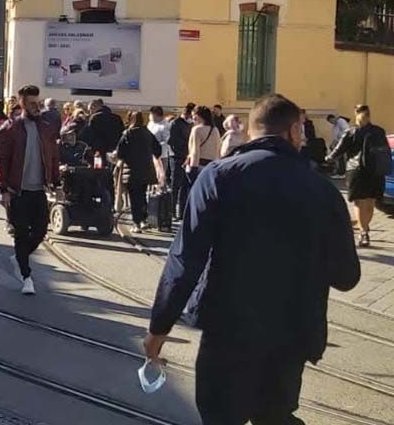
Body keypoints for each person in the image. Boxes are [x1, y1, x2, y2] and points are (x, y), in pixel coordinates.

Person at [145, 94, 361, 425]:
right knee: (275, 416)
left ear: (251, 132)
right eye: (301, 130)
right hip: (292, 333)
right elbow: (347, 276)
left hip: (228, 331)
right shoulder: (323, 190)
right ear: (292, 131)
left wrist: (159, 327)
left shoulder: (218, 177)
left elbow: (185, 260)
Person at [0, 85, 59, 296]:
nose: (36, 107)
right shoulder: (9, 130)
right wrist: (3, 189)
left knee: (40, 231)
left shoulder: (46, 128)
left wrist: (56, 184)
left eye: (38, 103)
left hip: (38, 190)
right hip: (17, 191)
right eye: (32, 103)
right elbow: (0, 161)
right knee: (21, 235)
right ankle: (26, 277)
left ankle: (20, 257)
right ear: (22, 104)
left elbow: (53, 157)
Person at [328, 104, 388, 248]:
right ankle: (365, 229)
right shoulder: (379, 131)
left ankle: (363, 232)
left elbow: (338, 150)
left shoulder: (351, 131)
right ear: (369, 115)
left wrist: (328, 158)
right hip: (375, 171)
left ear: (356, 114)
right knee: (370, 203)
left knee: (359, 203)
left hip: (357, 171)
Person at [115, 111, 162, 233]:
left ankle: (136, 222)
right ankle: (143, 220)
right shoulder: (148, 133)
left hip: (131, 170)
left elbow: (120, 152)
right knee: (142, 195)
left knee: (134, 198)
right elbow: (158, 150)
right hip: (146, 170)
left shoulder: (127, 134)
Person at [185, 106, 221, 216]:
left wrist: (193, 168)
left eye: (194, 116)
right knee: (208, 195)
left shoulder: (196, 130)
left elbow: (195, 151)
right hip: (213, 165)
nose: (192, 119)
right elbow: (218, 149)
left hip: (199, 165)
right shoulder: (215, 130)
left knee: (195, 194)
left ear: (199, 116)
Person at [168, 105, 194, 218]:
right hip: (177, 158)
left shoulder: (191, 124)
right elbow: (171, 141)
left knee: (184, 185)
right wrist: (182, 150)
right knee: (175, 185)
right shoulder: (175, 123)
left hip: (187, 157)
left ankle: (182, 211)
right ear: (187, 113)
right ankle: (172, 210)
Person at [147, 106, 173, 189]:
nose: (150, 116)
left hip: (161, 156)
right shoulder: (151, 123)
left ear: (156, 114)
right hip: (149, 154)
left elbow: (167, 141)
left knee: (160, 176)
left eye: (151, 114)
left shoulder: (165, 126)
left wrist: (156, 144)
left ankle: (160, 195)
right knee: (149, 176)